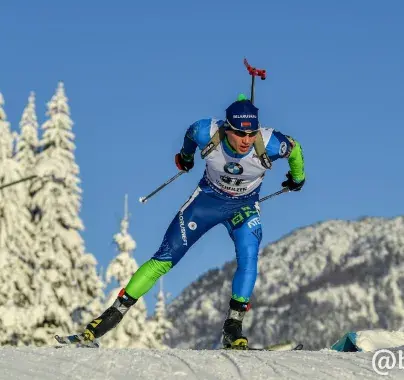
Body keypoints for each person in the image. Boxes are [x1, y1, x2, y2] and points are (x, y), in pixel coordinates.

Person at [81, 95, 306, 349]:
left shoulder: (272, 143)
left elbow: (295, 150)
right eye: (241, 134)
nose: (247, 141)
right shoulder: (207, 132)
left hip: (243, 208)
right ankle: (110, 316)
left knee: (249, 256)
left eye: (252, 134)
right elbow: (190, 135)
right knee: (164, 258)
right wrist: (185, 157)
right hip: (205, 204)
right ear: (227, 128)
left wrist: (297, 178)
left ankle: (233, 327)